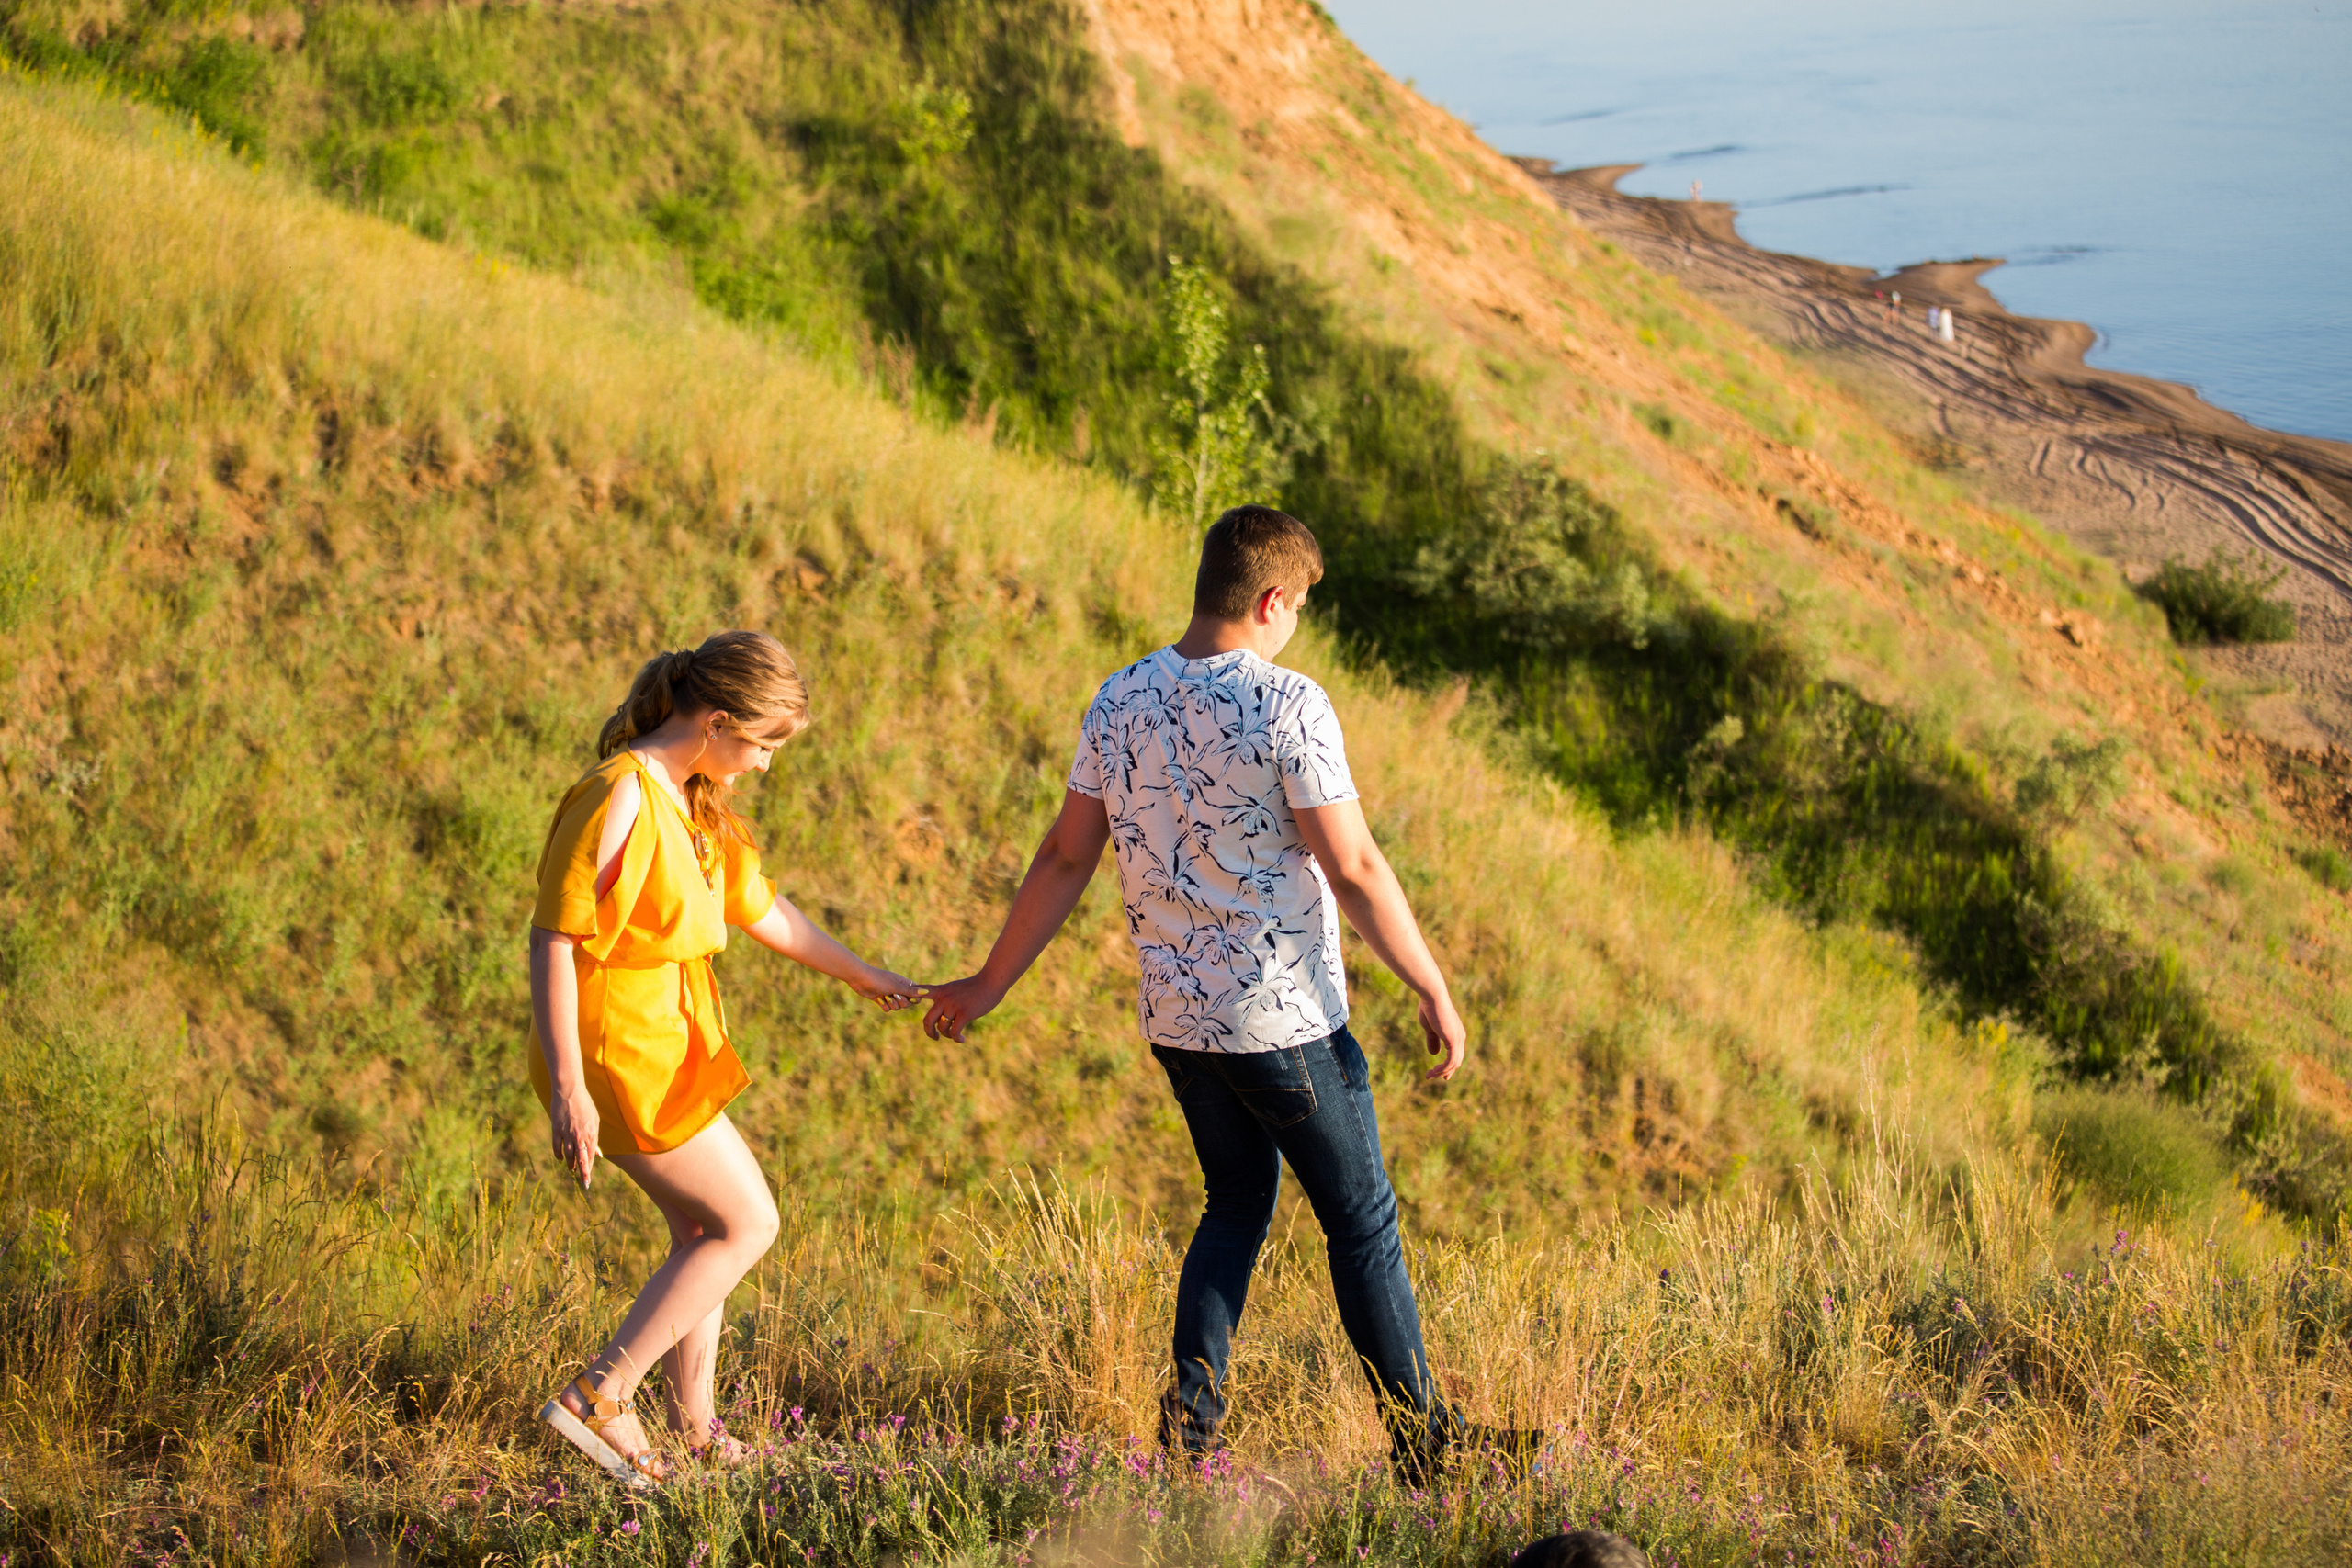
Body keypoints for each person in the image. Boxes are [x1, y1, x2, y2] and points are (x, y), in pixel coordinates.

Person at [922, 506, 1521, 1480]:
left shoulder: (1118, 698)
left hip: (1180, 1021)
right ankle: (1426, 1446)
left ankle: (1189, 1440)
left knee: (1235, 1204)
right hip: (1284, 1020)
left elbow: (1065, 853)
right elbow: (1356, 864)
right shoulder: (1288, 703)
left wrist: (991, 982)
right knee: (1360, 1221)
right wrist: (1431, 983)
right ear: (1271, 600)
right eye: (1299, 609)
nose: (1297, 628)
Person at [530, 630, 918, 1487]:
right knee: (748, 1223)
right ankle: (600, 1395)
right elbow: (553, 937)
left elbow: (763, 910)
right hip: (619, 1052)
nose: (767, 765)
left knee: (703, 1230)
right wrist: (568, 1088)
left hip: (672, 1045)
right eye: (764, 744)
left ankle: (697, 1429)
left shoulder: (690, 795)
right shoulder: (618, 795)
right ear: (715, 721)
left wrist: (864, 976)